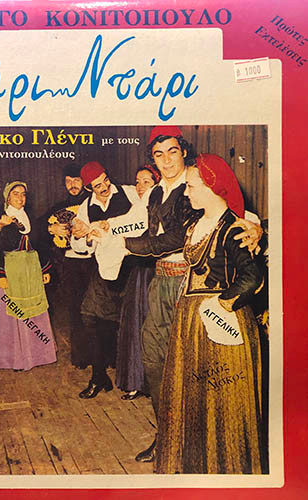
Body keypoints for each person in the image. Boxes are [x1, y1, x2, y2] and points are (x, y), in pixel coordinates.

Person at [125, 126, 263, 462]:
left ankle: (194, 442)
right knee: (155, 359)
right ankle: (168, 435)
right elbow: (134, 224)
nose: (167, 160)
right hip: (161, 279)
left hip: (194, 286)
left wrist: (257, 228)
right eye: (159, 154)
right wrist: (105, 232)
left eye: (172, 152)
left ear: (184, 152)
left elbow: (234, 213)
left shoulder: (200, 181)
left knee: (191, 366)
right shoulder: (154, 193)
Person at [156, 154, 265, 474]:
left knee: (223, 401)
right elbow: (157, 243)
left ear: (212, 187)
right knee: (195, 397)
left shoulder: (234, 228)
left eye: (191, 186)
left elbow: (252, 277)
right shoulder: (194, 224)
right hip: (192, 323)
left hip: (221, 324)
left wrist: (221, 304)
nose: (186, 192)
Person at [70, 161, 140, 399]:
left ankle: (134, 379)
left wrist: (111, 229)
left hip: (131, 269)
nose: (104, 187)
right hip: (104, 271)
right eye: (97, 185)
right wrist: (84, 236)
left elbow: (144, 223)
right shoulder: (85, 207)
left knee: (128, 325)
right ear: (88, 188)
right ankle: (98, 376)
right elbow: (79, 246)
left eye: (105, 180)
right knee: (90, 317)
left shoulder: (130, 193)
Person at [0, 181, 57, 371]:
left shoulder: (31, 219)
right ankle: (18, 359)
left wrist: (45, 269)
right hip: (11, 271)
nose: (20, 198)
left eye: (23, 194)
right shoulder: (0, 219)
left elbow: (41, 246)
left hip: (32, 269)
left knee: (35, 312)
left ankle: (39, 355)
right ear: (7, 197)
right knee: (15, 313)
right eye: (15, 194)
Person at [116, 165, 160, 400]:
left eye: (146, 181)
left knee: (153, 327)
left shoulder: (159, 206)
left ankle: (155, 384)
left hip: (157, 272)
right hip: (139, 272)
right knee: (134, 324)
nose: (140, 186)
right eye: (137, 181)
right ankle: (135, 381)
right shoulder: (136, 208)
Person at [45, 163, 94, 369]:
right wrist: (51, 228)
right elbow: (37, 228)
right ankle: (80, 357)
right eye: (68, 181)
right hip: (71, 265)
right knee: (75, 310)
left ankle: (104, 356)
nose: (72, 185)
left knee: (97, 310)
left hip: (94, 263)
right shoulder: (59, 207)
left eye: (76, 180)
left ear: (84, 181)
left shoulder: (94, 202)